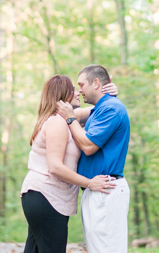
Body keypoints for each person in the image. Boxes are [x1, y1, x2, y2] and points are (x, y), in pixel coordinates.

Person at [20, 75, 116, 253]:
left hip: (41, 197)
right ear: (62, 95)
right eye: (73, 89)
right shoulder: (57, 123)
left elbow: (102, 110)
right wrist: (89, 183)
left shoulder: (65, 118)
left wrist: (107, 91)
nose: (78, 91)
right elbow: (55, 167)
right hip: (46, 196)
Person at [56, 65, 131, 253]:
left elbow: (88, 146)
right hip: (97, 189)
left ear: (96, 83)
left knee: (107, 248)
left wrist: (71, 119)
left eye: (81, 84)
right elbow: (73, 115)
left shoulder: (111, 109)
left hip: (106, 189)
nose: (79, 90)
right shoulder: (100, 109)